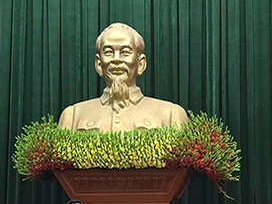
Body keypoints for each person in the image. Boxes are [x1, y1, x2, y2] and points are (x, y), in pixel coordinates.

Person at [57, 22, 188, 132]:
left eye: (125, 52)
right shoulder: (73, 116)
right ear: (98, 64)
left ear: (141, 63)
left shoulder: (171, 115)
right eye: (108, 52)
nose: (116, 59)